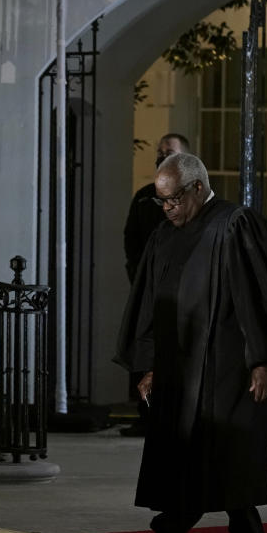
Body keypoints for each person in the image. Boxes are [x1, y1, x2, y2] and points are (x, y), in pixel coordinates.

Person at [114, 152, 267, 533]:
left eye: (173, 200)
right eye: (161, 201)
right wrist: (150, 364)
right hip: (179, 370)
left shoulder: (235, 224)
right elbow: (152, 303)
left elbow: (261, 296)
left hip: (228, 368)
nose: (167, 208)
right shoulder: (165, 235)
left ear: (197, 188)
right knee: (218, 458)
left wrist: (265, 361)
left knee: (206, 452)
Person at [120, 133, 190, 437]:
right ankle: (145, 414)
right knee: (143, 346)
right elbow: (131, 239)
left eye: (169, 152)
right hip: (146, 288)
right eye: (160, 152)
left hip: (180, 295)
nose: (162, 156)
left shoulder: (191, 199)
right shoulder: (145, 196)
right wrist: (139, 278)